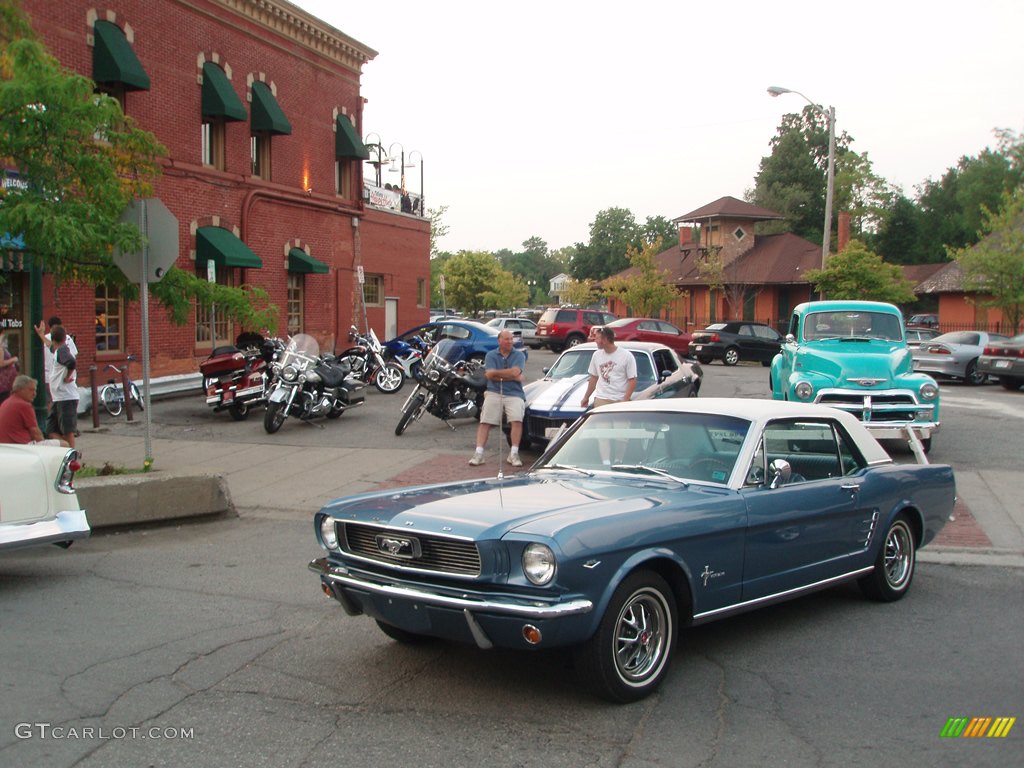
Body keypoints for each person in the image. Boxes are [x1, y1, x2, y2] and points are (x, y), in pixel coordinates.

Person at [469, 329, 526, 467]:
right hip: (494, 391)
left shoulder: (519, 355)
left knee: (517, 420)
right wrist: (511, 376)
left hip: (514, 393)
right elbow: (489, 375)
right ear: (499, 340)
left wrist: (497, 373)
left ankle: (514, 453)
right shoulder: (491, 355)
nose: (510, 341)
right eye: (507, 339)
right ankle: (479, 453)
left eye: (511, 339)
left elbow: (515, 371)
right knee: (485, 421)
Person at [35, 321, 78, 448]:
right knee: (51, 430)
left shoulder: (62, 351)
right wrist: (41, 335)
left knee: (67, 431)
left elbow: (71, 362)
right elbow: (50, 346)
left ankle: (71, 456)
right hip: (58, 397)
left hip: (66, 397)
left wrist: (67, 376)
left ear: (53, 339)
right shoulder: (58, 350)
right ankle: (68, 449)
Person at [580, 326, 637, 407]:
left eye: (597, 338)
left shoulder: (626, 356)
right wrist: (586, 397)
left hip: (620, 399)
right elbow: (594, 378)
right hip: (602, 398)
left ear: (605, 340)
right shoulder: (596, 355)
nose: (595, 341)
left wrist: (625, 400)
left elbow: (632, 380)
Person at [0, 374, 65, 445]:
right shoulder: (23, 405)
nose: (34, 394)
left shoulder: (7, 402)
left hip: (5, 445)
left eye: (35, 390)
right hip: (21, 445)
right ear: (19, 389)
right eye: (31, 390)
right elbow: (35, 432)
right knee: (64, 445)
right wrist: (45, 447)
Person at [41, 316, 78, 400]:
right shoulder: (64, 342)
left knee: (52, 402)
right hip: (62, 381)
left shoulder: (61, 349)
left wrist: (67, 376)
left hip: (56, 380)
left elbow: (72, 361)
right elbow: (74, 356)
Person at [0, 331, 19, 405]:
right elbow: (1, 363)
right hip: (2, 383)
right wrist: (13, 359)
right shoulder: (0, 348)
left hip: (7, 382)